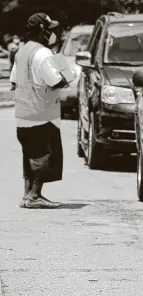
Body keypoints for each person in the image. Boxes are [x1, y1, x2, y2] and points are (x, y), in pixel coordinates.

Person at [10, 13, 69, 209]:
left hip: (23, 116)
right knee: (44, 158)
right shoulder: (43, 54)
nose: (54, 33)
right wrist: (61, 64)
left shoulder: (21, 51)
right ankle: (35, 196)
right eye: (51, 29)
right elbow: (57, 81)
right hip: (42, 115)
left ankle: (27, 196)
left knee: (30, 156)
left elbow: (13, 81)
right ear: (43, 30)